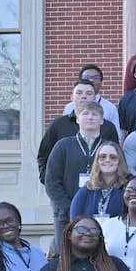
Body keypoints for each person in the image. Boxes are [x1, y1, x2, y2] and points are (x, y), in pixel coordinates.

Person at [44, 101, 107, 251]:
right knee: (65, 256)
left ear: (102, 120)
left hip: (100, 215)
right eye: (85, 114)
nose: (90, 117)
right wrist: (70, 208)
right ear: (77, 119)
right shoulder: (63, 146)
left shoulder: (108, 148)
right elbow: (52, 182)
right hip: (65, 215)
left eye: (95, 114)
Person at [69, 141, 130, 220]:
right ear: (97, 161)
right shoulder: (86, 191)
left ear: (120, 161)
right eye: (102, 157)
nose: (107, 160)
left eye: (113, 157)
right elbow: (74, 221)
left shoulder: (128, 189)